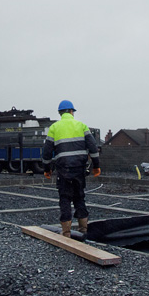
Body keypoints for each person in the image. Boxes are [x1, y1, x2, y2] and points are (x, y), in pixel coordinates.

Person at [41, 100, 100, 237]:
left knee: (65, 198)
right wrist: (96, 166)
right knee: (79, 197)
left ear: (60, 113)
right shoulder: (82, 126)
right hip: (79, 169)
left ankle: (66, 232)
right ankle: (83, 230)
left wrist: (47, 168)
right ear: (72, 112)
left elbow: (47, 152)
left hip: (63, 170)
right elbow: (93, 148)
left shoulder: (54, 128)